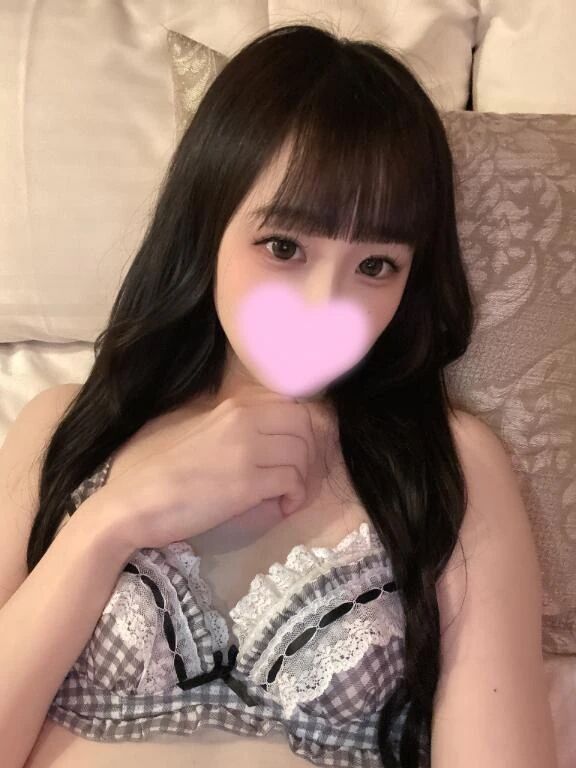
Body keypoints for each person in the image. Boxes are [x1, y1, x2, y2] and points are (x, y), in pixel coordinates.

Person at [0, 21, 557, 768]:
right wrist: (113, 521)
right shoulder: (62, 430)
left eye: (376, 266)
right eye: (285, 247)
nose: (327, 304)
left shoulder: (452, 464)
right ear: (206, 226)